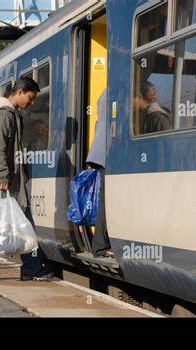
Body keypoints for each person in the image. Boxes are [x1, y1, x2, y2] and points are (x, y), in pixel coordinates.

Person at [0, 77, 54, 282]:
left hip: (9, 181)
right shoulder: (3, 114)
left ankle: (31, 268)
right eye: (30, 98)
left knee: (19, 225)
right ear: (20, 92)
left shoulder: (10, 114)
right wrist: (2, 175)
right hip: (0, 181)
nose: (31, 103)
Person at [86, 89, 114, 258]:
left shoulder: (105, 92)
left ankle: (101, 244)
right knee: (106, 201)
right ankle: (101, 247)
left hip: (100, 150)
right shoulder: (116, 89)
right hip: (106, 152)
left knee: (105, 200)